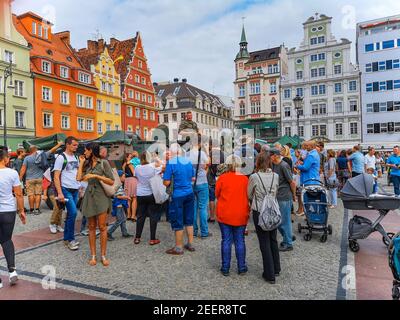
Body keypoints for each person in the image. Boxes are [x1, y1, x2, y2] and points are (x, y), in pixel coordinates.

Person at [77, 143, 114, 266]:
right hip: (90, 196)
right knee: (91, 227)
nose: (84, 153)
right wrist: (81, 163)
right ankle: (93, 255)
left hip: (101, 195)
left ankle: (103, 255)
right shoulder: (86, 163)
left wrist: (96, 176)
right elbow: (78, 178)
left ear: (91, 151)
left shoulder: (104, 163)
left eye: (86, 151)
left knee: (102, 226)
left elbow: (111, 180)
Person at [248, 152, 280, 284]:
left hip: (259, 210)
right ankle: (276, 268)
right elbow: (276, 191)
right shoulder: (275, 176)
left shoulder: (254, 177)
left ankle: (269, 273)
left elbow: (249, 195)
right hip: (273, 209)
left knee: (264, 241)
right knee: (273, 238)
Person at [215, 155, 249, 276]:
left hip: (225, 212)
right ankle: (241, 266)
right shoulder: (245, 179)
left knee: (226, 240)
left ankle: (225, 267)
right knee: (240, 240)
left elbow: (217, 194)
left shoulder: (222, 178)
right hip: (240, 213)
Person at [163, 143, 196, 255]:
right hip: (189, 193)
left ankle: (178, 247)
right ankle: (190, 244)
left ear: (172, 152)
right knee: (189, 220)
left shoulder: (171, 163)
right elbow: (192, 177)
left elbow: (166, 182)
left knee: (178, 220)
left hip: (177, 195)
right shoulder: (188, 161)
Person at [0, 150, 26, 289]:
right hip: (8, 211)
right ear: (4, 159)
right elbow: (19, 194)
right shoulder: (12, 173)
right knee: (6, 239)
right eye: (8, 158)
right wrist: (21, 211)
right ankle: (12, 271)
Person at [53, 137, 81, 251]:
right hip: (66, 189)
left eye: (76, 145)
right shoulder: (61, 157)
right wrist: (60, 193)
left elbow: (77, 172)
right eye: (74, 145)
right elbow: (56, 176)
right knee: (73, 213)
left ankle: (66, 238)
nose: (76, 147)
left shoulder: (76, 157)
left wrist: (80, 187)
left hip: (75, 189)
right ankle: (70, 239)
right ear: (67, 145)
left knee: (71, 214)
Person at [19, 143, 59, 215]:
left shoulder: (27, 158)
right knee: (38, 194)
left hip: (29, 179)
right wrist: (59, 144)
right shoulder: (42, 156)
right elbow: (52, 150)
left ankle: (31, 210)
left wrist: (20, 178)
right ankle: (37, 210)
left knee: (30, 194)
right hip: (39, 178)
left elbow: (23, 169)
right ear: (35, 150)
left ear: (30, 151)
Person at [270, 149, 297, 252]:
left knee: (284, 221)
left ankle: (288, 243)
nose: (269, 158)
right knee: (278, 221)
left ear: (276, 156)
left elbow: (292, 182)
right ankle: (289, 236)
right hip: (278, 196)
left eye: (271, 156)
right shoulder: (273, 165)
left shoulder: (283, 165)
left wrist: (293, 196)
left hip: (285, 196)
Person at [134, 152, 162, 245]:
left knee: (140, 216)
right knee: (153, 216)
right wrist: (156, 158)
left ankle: (137, 238)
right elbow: (162, 167)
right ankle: (152, 239)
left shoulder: (137, 168)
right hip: (151, 193)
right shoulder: (152, 167)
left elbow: (136, 177)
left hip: (140, 194)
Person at [187, 135, 211, 238]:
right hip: (202, 182)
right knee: (202, 208)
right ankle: (204, 232)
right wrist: (206, 150)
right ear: (199, 143)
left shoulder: (187, 154)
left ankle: (194, 231)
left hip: (191, 183)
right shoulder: (202, 154)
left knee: (192, 208)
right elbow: (208, 163)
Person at [107, 170, 133, 240]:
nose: (125, 178)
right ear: (119, 177)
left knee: (123, 219)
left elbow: (119, 193)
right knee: (119, 220)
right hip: (118, 204)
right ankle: (108, 233)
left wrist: (124, 191)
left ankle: (124, 233)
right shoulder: (117, 185)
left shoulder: (119, 184)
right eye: (124, 176)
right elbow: (117, 196)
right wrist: (126, 197)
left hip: (120, 204)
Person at [207, 139, 225, 223]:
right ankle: (222, 215)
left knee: (211, 198)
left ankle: (212, 217)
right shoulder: (223, 154)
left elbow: (208, 165)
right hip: (222, 178)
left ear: (211, 145)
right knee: (222, 197)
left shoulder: (210, 154)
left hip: (212, 178)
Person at [122, 153, 137, 222]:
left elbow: (124, 173)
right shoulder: (130, 164)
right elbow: (134, 173)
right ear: (127, 158)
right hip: (133, 180)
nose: (132, 159)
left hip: (127, 181)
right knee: (134, 198)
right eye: (130, 157)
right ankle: (133, 215)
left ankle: (128, 215)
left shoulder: (124, 165)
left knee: (128, 199)